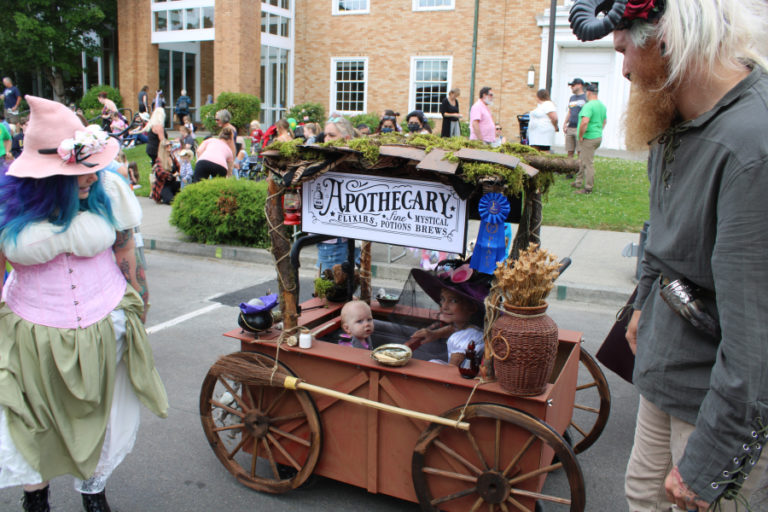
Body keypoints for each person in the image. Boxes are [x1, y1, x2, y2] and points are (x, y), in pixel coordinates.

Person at [569, 0, 768, 510]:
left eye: (624, 51)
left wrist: (710, 462)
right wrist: (641, 304)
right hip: (663, 369)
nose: (625, 69)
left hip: (713, 400)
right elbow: (660, 227)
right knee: (641, 496)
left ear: (664, 41)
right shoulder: (677, 116)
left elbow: (756, 341)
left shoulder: (751, 149)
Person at [0, 96, 167, 512]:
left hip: (104, 318)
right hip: (30, 329)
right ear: (48, 176)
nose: (91, 176)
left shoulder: (107, 188)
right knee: (33, 415)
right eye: (79, 171)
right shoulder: (11, 205)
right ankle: (35, 495)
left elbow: (127, 252)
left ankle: (94, 493)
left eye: (92, 166)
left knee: (98, 411)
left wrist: (140, 309)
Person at [408, 267, 488, 365]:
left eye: (453, 300)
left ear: (472, 308)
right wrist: (434, 334)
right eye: (442, 299)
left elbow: (451, 373)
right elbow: (454, 328)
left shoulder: (466, 338)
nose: (444, 306)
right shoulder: (473, 329)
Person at [571, 83, 605, 194]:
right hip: (597, 137)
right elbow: (604, 121)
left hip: (589, 138)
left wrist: (581, 135)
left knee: (588, 163)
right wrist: (598, 130)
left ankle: (588, 188)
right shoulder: (601, 105)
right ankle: (578, 182)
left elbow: (584, 122)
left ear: (588, 93)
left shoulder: (589, 105)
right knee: (582, 159)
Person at [562, 78, 586, 160]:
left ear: (580, 85)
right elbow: (570, 111)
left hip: (579, 128)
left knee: (580, 151)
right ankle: (570, 170)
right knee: (570, 150)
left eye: (573, 85)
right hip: (570, 127)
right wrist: (565, 123)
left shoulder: (585, 97)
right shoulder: (572, 98)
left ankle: (580, 170)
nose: (571, 87)